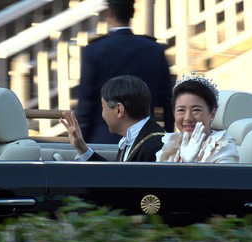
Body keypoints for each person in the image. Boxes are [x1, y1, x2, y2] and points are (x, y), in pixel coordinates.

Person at [75, 0, 174, 144]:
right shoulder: (154, 49)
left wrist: (81, 141)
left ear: (109, 13)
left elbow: (86, 102)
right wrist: (168, 137)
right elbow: (167, 100)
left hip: (103, 139)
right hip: (146, 140)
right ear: (133, 12)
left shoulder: (94, 50)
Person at [61, 75, 166, 162]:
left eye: (103, 107)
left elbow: (120, 184)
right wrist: (82, 148)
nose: (103, 114)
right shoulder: (132, 138)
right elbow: (118, 178)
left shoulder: (156, 146)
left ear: (119, 110)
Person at [155, 72, 239, 163]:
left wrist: (190, 164)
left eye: (196, 110)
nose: (187, 118)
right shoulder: (171, 144)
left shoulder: (224, 148)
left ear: (212, 113)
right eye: (181, 110)